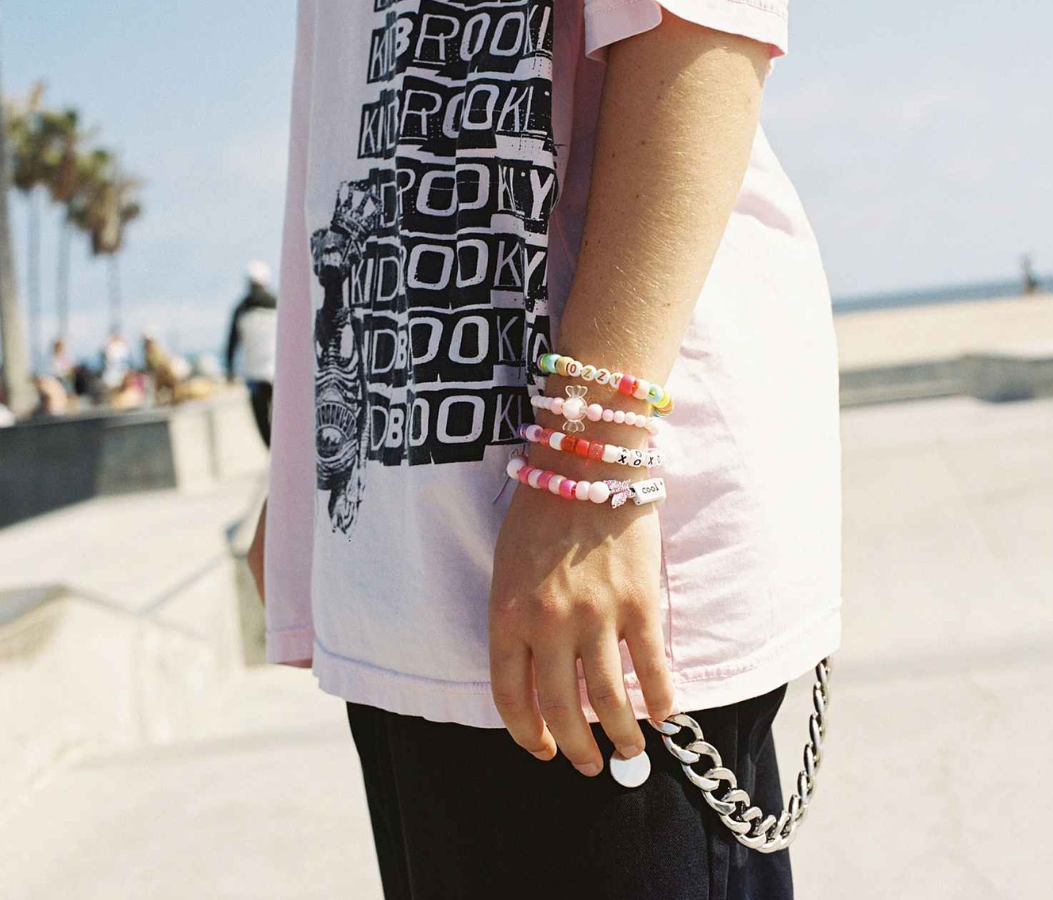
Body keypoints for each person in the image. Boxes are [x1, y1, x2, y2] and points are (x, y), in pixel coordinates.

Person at [249, 2, 841, 897]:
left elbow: (698, 27)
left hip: (593, 556)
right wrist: (307, 472)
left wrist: (587, 460)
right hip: (416, 569)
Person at [225, 260, 277, 447]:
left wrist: (230, 370)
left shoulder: (241, 309)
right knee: (283, 416)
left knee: (263, 422)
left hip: (255, 375)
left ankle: (272, 451)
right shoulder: (277, 304)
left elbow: (232, 343)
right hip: (277, 372)